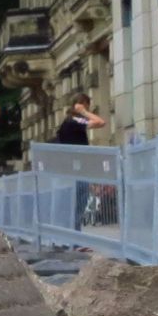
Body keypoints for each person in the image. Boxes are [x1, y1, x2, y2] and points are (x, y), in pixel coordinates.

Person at [55, 94, 106, 230]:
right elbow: (101, 122)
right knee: (76, 206)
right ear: (83, 104)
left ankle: (68, 238)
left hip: (70, 169)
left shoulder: (69, 122)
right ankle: (74, 240)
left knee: (72, 205)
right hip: (74, 170)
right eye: (88, 106)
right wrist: (84, 112)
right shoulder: (74, 121)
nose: (89, 111)